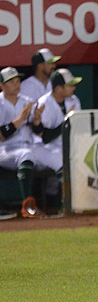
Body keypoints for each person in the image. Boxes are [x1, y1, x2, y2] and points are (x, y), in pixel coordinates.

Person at [0, 67, 62, 218]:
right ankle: (27, 206)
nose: (16, 84)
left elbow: (38, 132)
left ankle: (61, 204)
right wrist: (20, 119)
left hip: (28, 146)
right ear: (2, 86)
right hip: (5, 149)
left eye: (17, 80)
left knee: (58, 157)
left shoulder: (26, 102)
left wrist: (36, 120)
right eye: (11, 82)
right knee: (26, 155)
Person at [37, 69, 82, 165]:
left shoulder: (74, 100)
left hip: (68, 146)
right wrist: (66, 120)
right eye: (70, 85)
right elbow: (46, 138)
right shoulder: (44, 103)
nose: (74, 88)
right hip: (46, 149)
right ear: (58, 88)